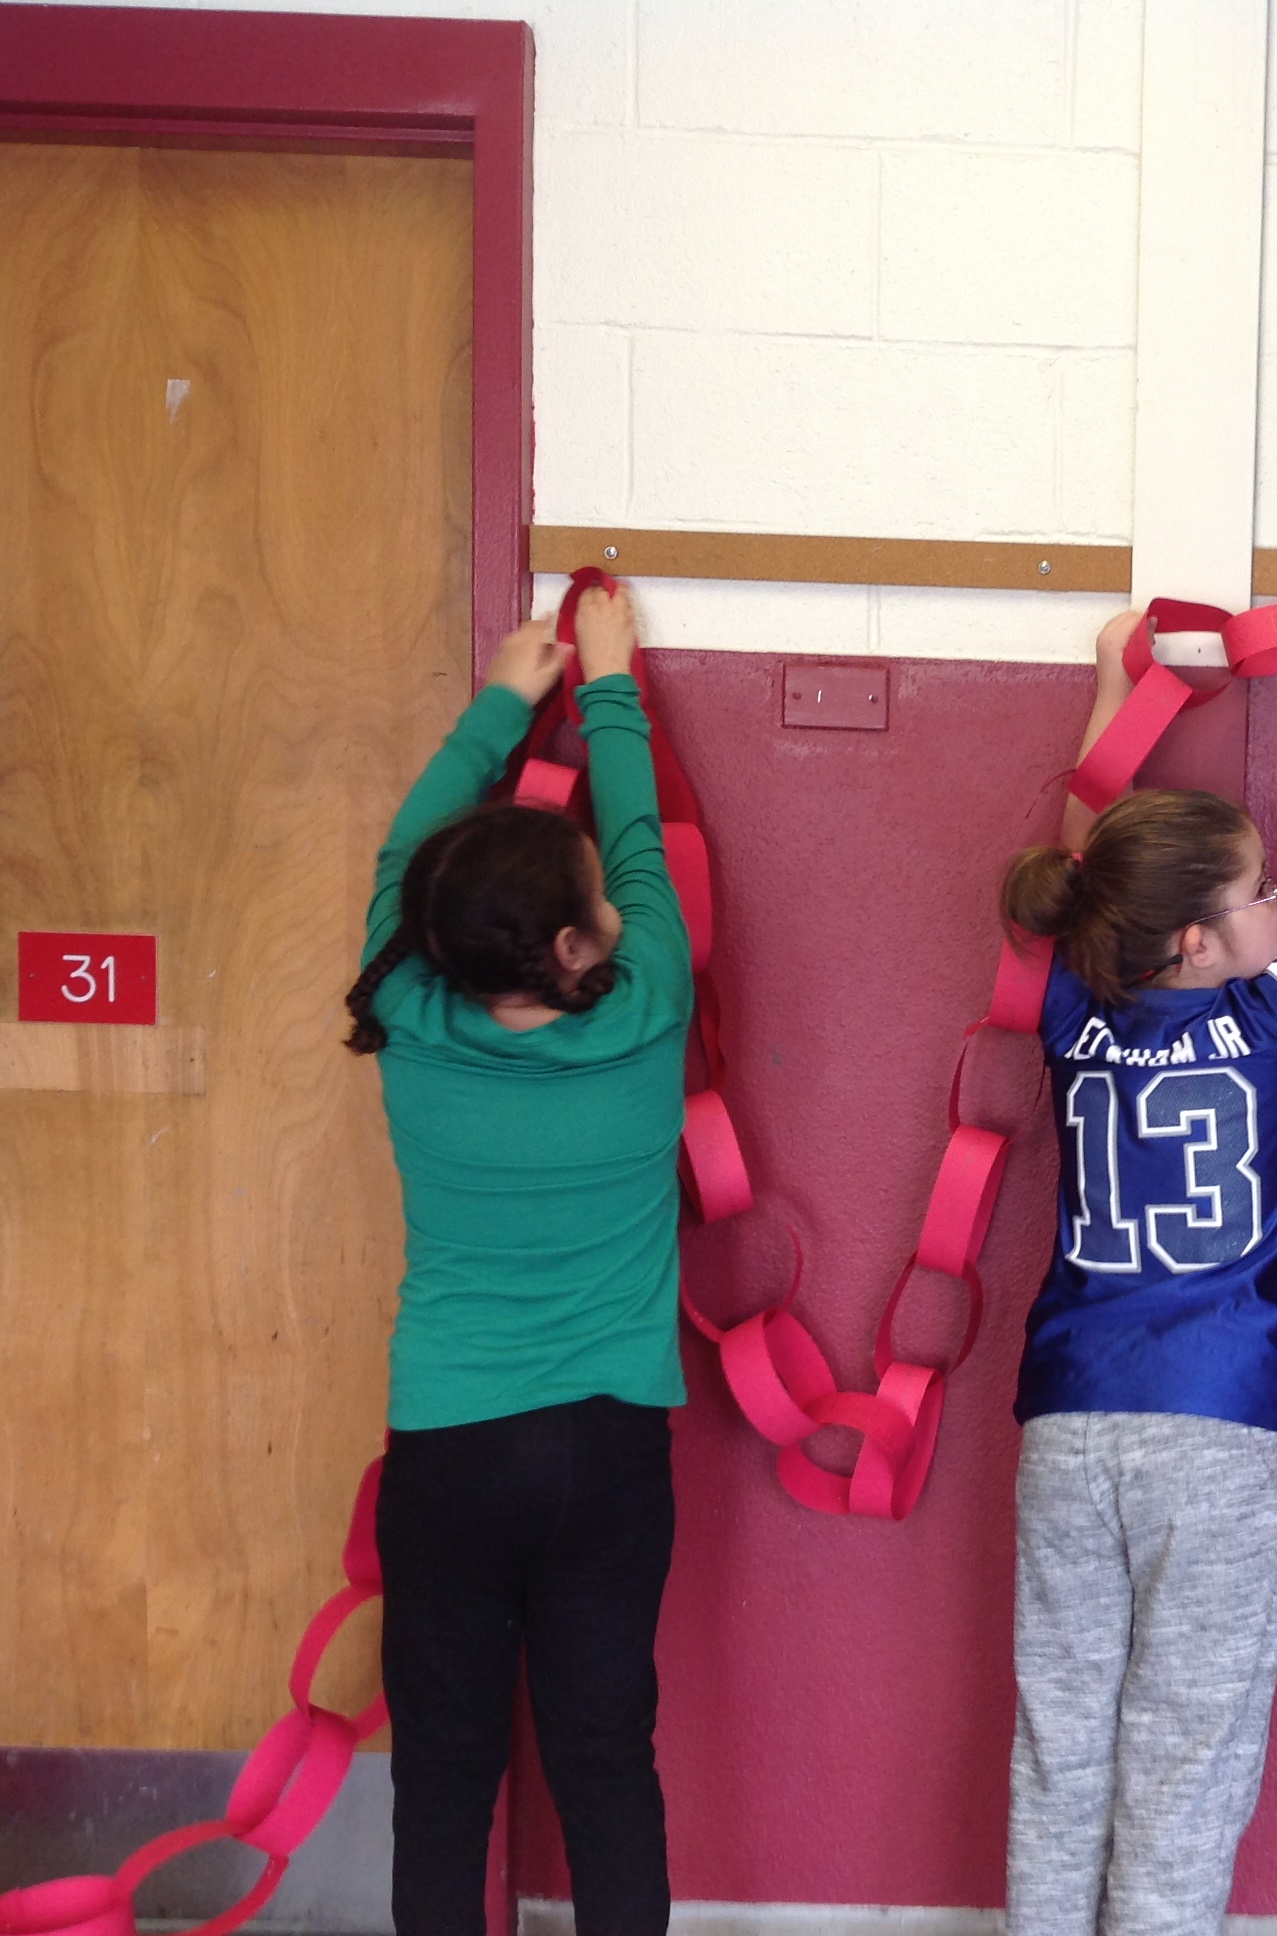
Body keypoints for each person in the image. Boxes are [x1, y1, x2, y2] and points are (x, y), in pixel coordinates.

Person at [998, 608, 1277, 1936]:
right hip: (1224, 1434)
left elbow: (1090, 865)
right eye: (1254, 893)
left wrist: (1112, 694)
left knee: (1058, 1746)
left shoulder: (1073, 1008)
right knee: (1187, 1765)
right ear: (1192, 944)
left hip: (1070, 1427)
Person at [345, 583, 688, 1936]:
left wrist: (501, 696)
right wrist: (604, 680)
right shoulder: (649, 1001)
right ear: (573, 946)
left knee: (444, 1773)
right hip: (609, 1452)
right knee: (606, 1762)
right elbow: (644, 843)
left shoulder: (405, 1008)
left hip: (452, 1446)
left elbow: (403, 857)